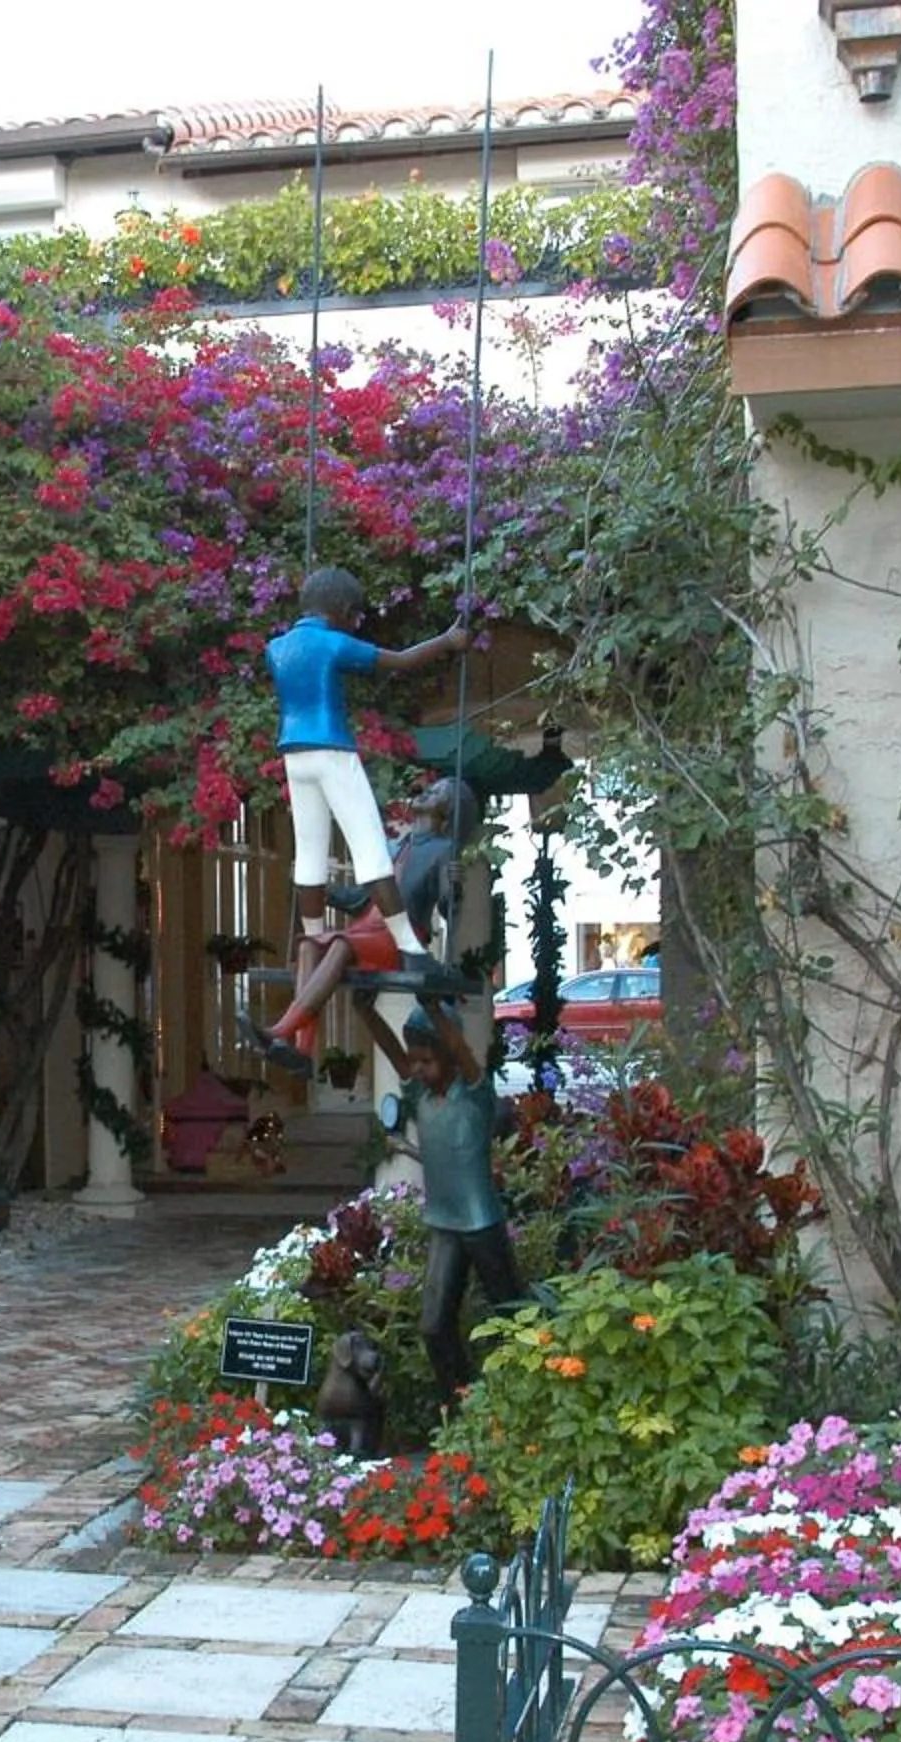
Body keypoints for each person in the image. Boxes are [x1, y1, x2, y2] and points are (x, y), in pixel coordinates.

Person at [271, 568, 471, 977]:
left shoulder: (277, 647)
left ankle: (312, 940)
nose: (354, 623)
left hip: (294, 753)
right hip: (332, 751)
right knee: (371, 851)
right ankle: (410, 946)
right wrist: (448, 642)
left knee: (310, 852)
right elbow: (399, 662)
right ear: (343, 611)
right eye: (354, 616)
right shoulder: (332, 643)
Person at [352, 988, 527, 1402]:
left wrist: (433, 1007)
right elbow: (395, 1052)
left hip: (482, 1223)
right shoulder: (421, 1095)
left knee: (514, 1316)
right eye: (416, 1060)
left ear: (448, 1055)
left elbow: (462, 1051)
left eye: (427, 1060)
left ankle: (524, 1399)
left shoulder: (474, 1095)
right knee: (434, 1325)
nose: (418, 1069)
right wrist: (365, 1010)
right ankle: (462, 1406)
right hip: (444, 1223)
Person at [247, 776, 471, 1074]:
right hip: (367, 928)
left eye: (439, 792)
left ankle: (281, 1030)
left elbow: (446, 908)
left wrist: (453, 887)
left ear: (449, 810)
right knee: (308, 945)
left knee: (342, 945)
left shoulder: (444, 850)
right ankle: (301, 1050)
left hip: (400, 935)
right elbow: (361, 899)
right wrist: (319, 890)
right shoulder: (395, 847)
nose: (428, 790)